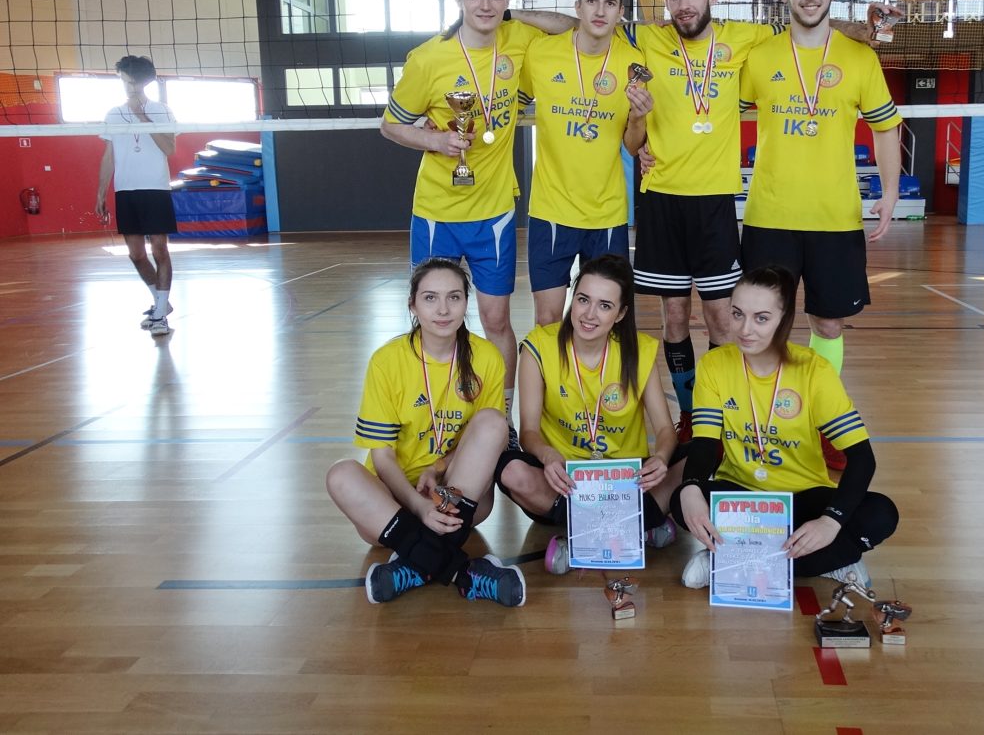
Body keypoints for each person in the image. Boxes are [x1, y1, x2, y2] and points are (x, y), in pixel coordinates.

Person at [626, 0, 882, 445]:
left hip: (715, 205)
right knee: (674, 319)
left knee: (722, 320)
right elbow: (583, 24)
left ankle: (724, 413)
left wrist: (863, 30)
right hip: (660, 200)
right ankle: (690, 416)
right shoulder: (648, 39)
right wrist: (510, 15)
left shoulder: (746, 37)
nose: (684, 3)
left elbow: (809, 22)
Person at [381, 0, 566, 449]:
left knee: (497, 321)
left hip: (494, 213)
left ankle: (501, 419)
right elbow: (390, 125)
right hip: (437, 213)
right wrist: (434, 141)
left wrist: (515, 15)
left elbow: (571, 27)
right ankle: (437, 418)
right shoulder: (428, 59)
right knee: (434, 322)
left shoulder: (518, 39)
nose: (485, 4)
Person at [739, 0, 903, 469]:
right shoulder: (760, 56)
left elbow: (886, 128)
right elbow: (716, 118)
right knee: (765, 327)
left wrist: (890, 191)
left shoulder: (860, 57)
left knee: (828, 326)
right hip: (769, 217)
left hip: (835, 220)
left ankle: (822, 422)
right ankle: (763, 421)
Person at [670, 265, 898, 591]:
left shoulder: (814, 370)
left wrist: (830, 521)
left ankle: (729, 560)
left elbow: (862, 458)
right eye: (737, 314)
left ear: (784, 318)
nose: (745, 329)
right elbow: (705, 443)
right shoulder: (714, 365)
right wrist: (691, 487)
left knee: (881, 513)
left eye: (761, 318)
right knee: (682, 501)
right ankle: (827, 560)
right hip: (743, 496)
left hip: (804, 497)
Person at [326, 258, 526, 608]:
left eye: (454, 297)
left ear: (467, 302)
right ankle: (463, 574)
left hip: (456, 493)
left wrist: (437, 468)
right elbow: (382, 456)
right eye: (430, 298)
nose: (443, 309)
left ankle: (414, 562)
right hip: (393, 501)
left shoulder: (487, 358)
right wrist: (417, 505)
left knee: (495, 422)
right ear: (413, 305)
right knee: (340, 474)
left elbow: (486, 440)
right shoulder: (387, 361)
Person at [495, 254, 683, 574]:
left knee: (693, 460)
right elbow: (528, 432)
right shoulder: (539, 346)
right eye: (583, 299)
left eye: (604, 305)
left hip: (626, 484)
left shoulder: (638, 350)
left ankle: (582, 537)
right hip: (564, 482)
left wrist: (662, 458)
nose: (589, 314)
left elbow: (666, 429)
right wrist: (547, 455)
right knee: (510, 471)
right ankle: (636, 527)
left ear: (621, 313)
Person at [518, 0, 654, 326]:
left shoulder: (633, 63)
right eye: (592, 1)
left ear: (620, 11)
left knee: (607, 322)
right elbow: (509, 101)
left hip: (606, 213)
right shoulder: (541, 53)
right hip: (551, 209)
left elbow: (632, 144)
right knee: (548, 320)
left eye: (609, 3)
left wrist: (638, 118)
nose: (600, 11)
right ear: (578, 6)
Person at [94, 55, 178, 336]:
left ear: (143, 81)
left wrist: (143, 117)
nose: (127, 85)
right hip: (126, 189)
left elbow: (169, 149)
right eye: (123, 80)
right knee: (136, 254)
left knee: (159, 249)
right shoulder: (113, 114)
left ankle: (160, 315)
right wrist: (101, 192)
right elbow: (108, 156)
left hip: (155, 187)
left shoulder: (162, 110)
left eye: (130, 80)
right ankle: (161, 302)